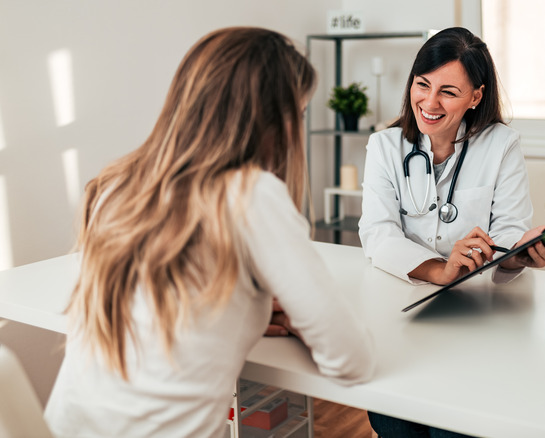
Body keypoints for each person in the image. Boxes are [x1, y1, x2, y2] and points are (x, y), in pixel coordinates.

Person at [43, 27, 375, 437]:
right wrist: (303, 319)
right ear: (272, 120)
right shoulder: (251, 195)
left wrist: (249, 307)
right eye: (300, 115)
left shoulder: (116, 184)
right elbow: (351, 360)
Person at [358, 27, 545, 437]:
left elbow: (507, 231)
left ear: (476, 96)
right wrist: (439, 269)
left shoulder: (501, 145)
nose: (429, 103)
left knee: (454, 430)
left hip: (477, 325)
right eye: (422, 85)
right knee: (394, 425)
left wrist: (521, 253)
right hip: (400, 321)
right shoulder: (384, 147)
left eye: (448, 92)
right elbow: (377, 234)